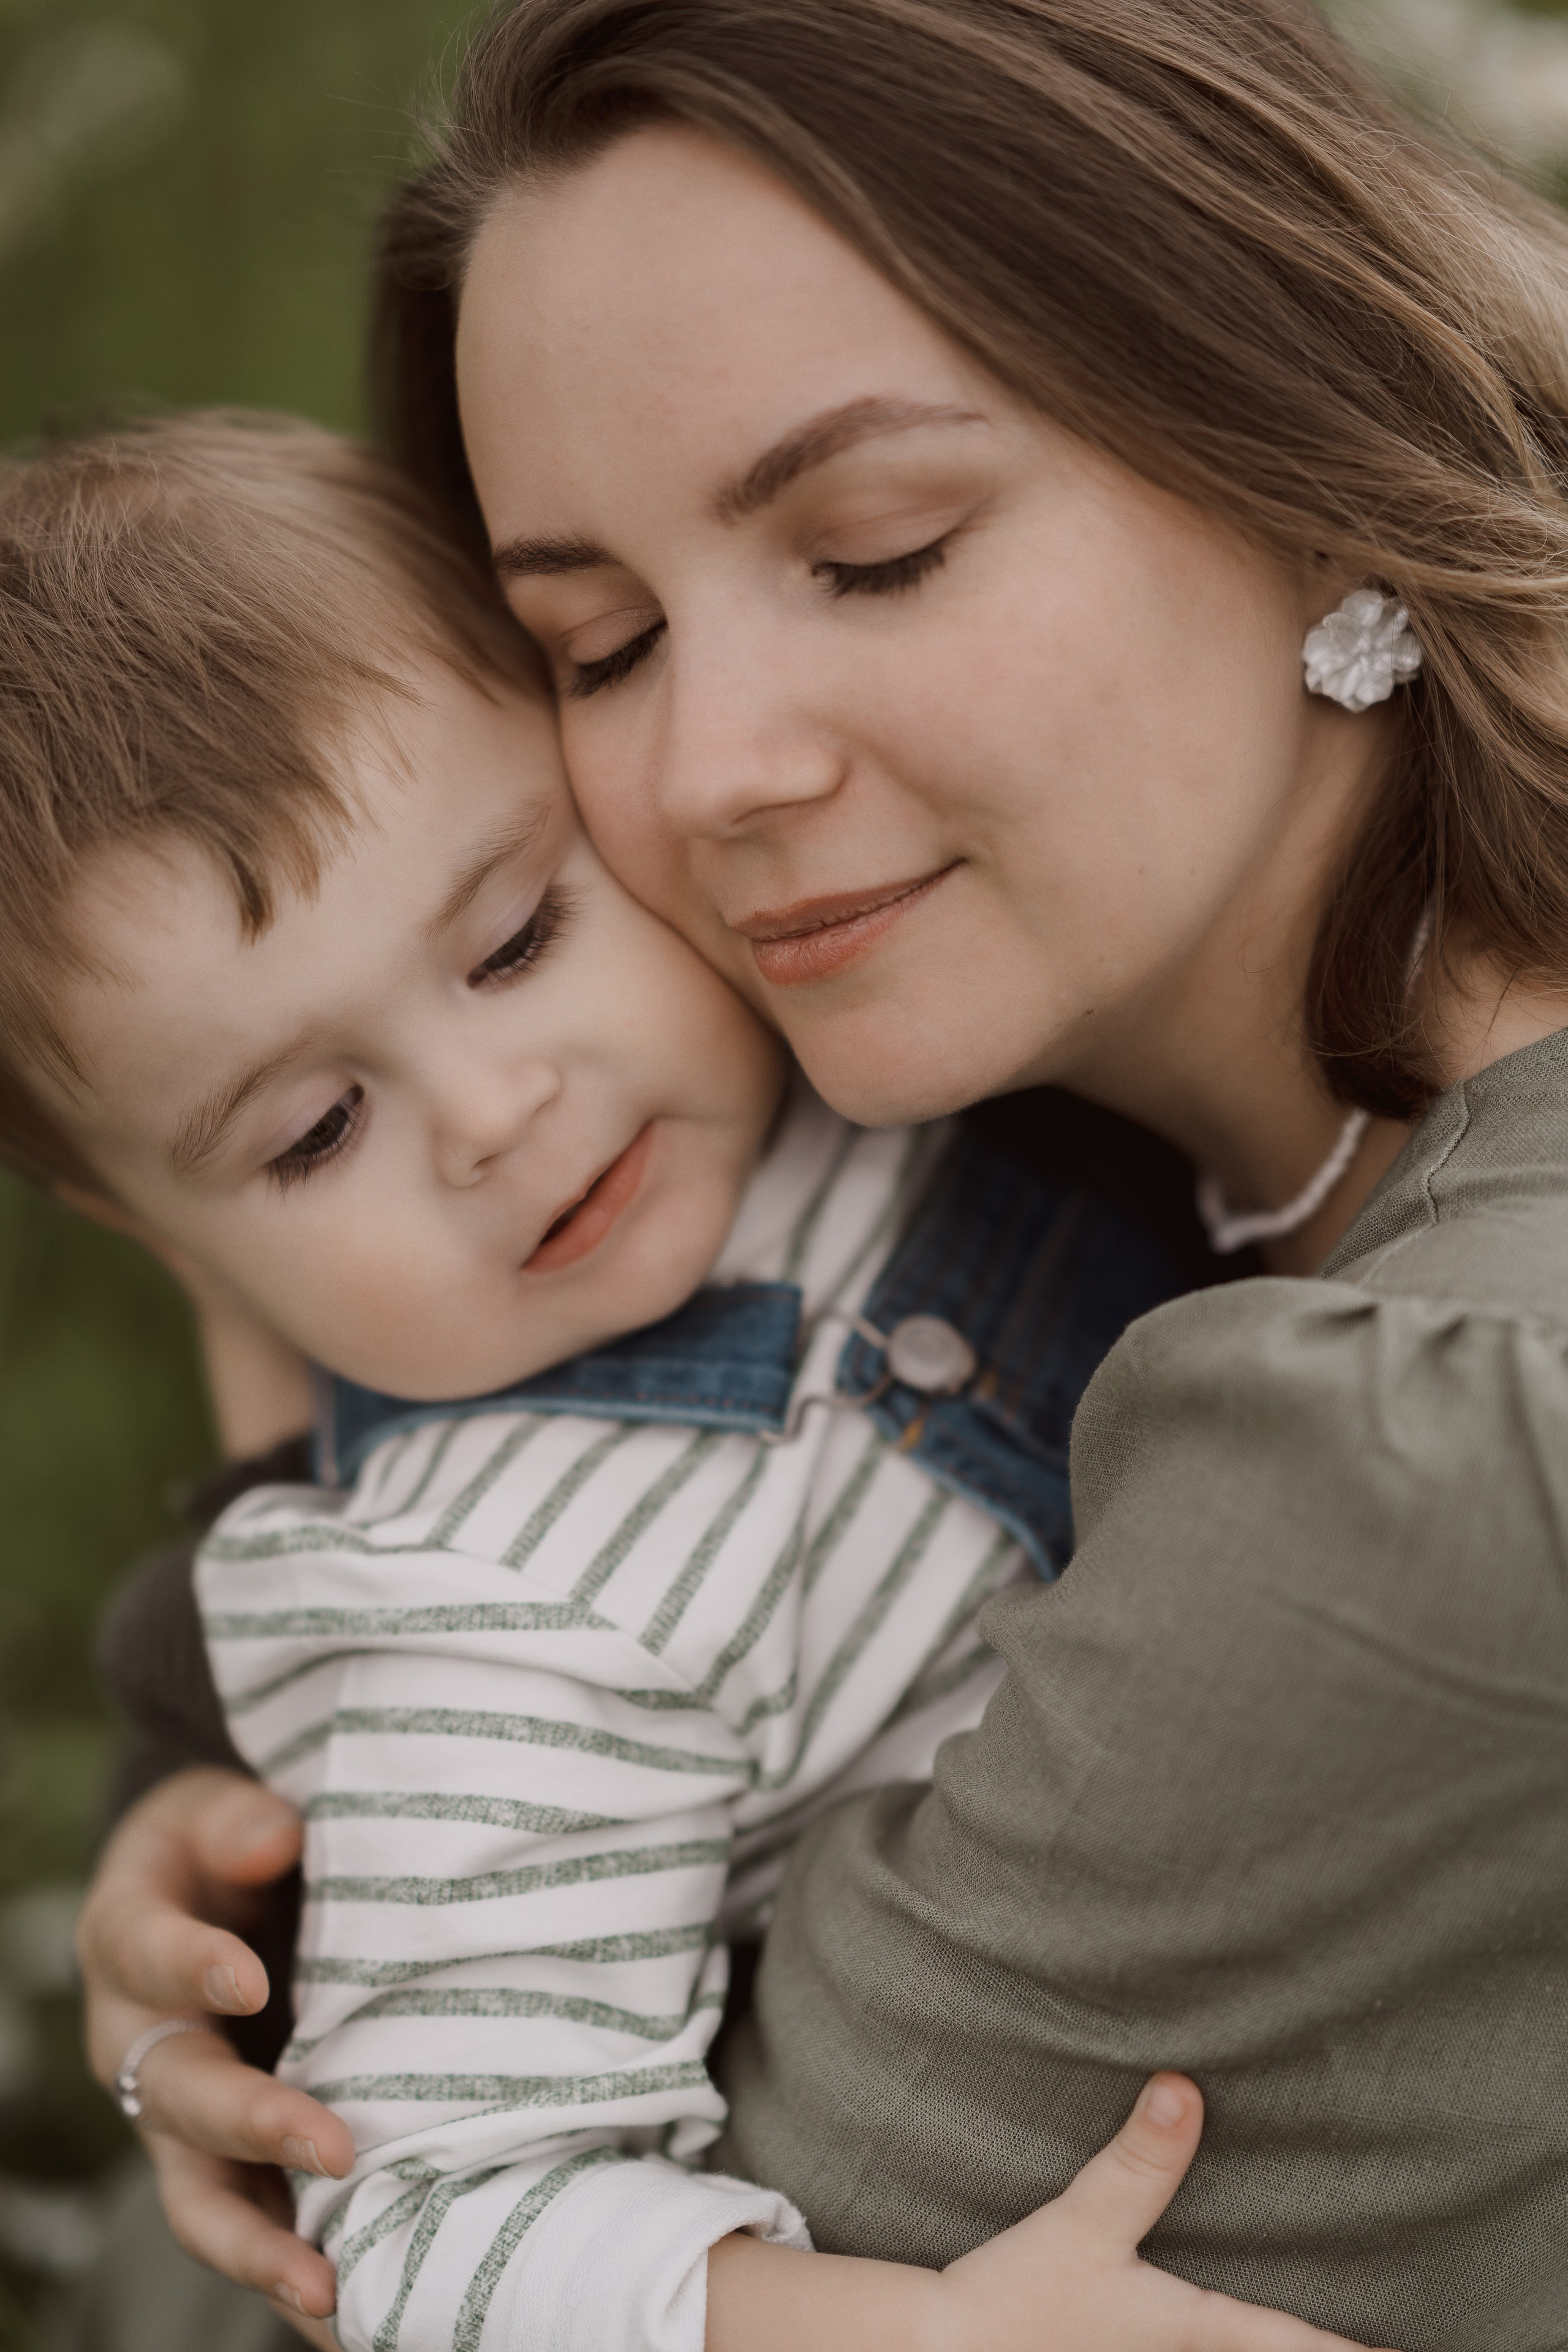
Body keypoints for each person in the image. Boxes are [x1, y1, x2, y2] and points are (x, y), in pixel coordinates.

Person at [72, 0, 1568, 2343]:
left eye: (877, 550)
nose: (712, 770)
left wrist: (299, 1982)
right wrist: (262, 1790)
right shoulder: (957, 1099)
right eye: (601, 639)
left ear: (1298, 442)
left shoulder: (1422, 1439)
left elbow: (437, 2238)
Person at [3, 412, 1339, 2351]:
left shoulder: (850, 1009)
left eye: (521, 933)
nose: (494, 1112)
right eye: (311, 1132)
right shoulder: (494, 1621)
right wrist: (929, 2338)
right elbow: (432, 2236)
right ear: (164, 1235)